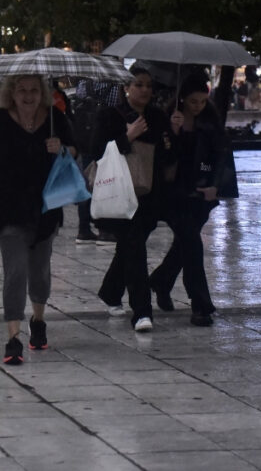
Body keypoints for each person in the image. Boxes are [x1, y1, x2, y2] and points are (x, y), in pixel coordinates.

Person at [0, 75, 75, 365]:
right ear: (10, 93)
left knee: (39, 271)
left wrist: (61, 148)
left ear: (42, 93)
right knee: (15, 271)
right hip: (7, 207)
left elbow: (75, 151)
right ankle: (13, 337)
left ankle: (38, 321)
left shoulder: (55, 118)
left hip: (45, 207)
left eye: (33, 90)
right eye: (21, 90)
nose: (27, 96)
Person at [94, 67, 177, 333]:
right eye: (139, 84)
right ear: (127, 87)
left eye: (148, 86)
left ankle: (110, 291)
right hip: (121, 194)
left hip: (151, 196)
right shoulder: (111, 116)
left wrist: (173, 134)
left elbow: (169, 156)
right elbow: (95, 151)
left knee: (131, 247)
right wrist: (125, 138)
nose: (144, 90)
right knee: (135, 251)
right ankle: (142, 311)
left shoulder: (157, 117)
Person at [148, 73, 234, 327]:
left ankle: (161, 281)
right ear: (183, 98)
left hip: (200, 194)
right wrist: (172, 133)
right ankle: (200, 305)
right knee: (192, 246)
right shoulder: (167, 120)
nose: (198, 106)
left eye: (202, 101)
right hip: (173, 195)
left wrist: (214, 185)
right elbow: (160, 157)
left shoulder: (210, 124)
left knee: (185, 244)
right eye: (193, 101)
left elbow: (221, 156)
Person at [72, 79, 123, 245]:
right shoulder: (115, 88)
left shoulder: (82, 85)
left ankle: (83, 229)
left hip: (85, 141)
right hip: (105, 142)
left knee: (87, 183)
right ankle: (104, 230)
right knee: (105, 184)